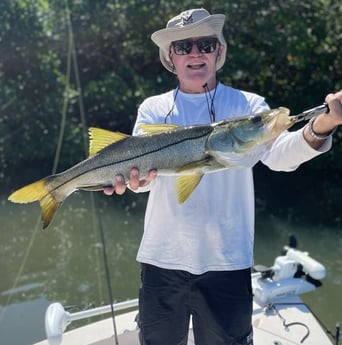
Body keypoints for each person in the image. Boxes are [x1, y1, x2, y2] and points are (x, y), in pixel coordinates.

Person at [104, 8, 342, 345]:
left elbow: (280, 156)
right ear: (170, 57)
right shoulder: (153, 109)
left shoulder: (248, 106)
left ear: (220, 50)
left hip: (227, 262)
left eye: (205, 43)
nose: (196, 53)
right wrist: (135, 182)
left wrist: (323, 125)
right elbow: (147, 180)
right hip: (162, 259)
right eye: (184, 47)